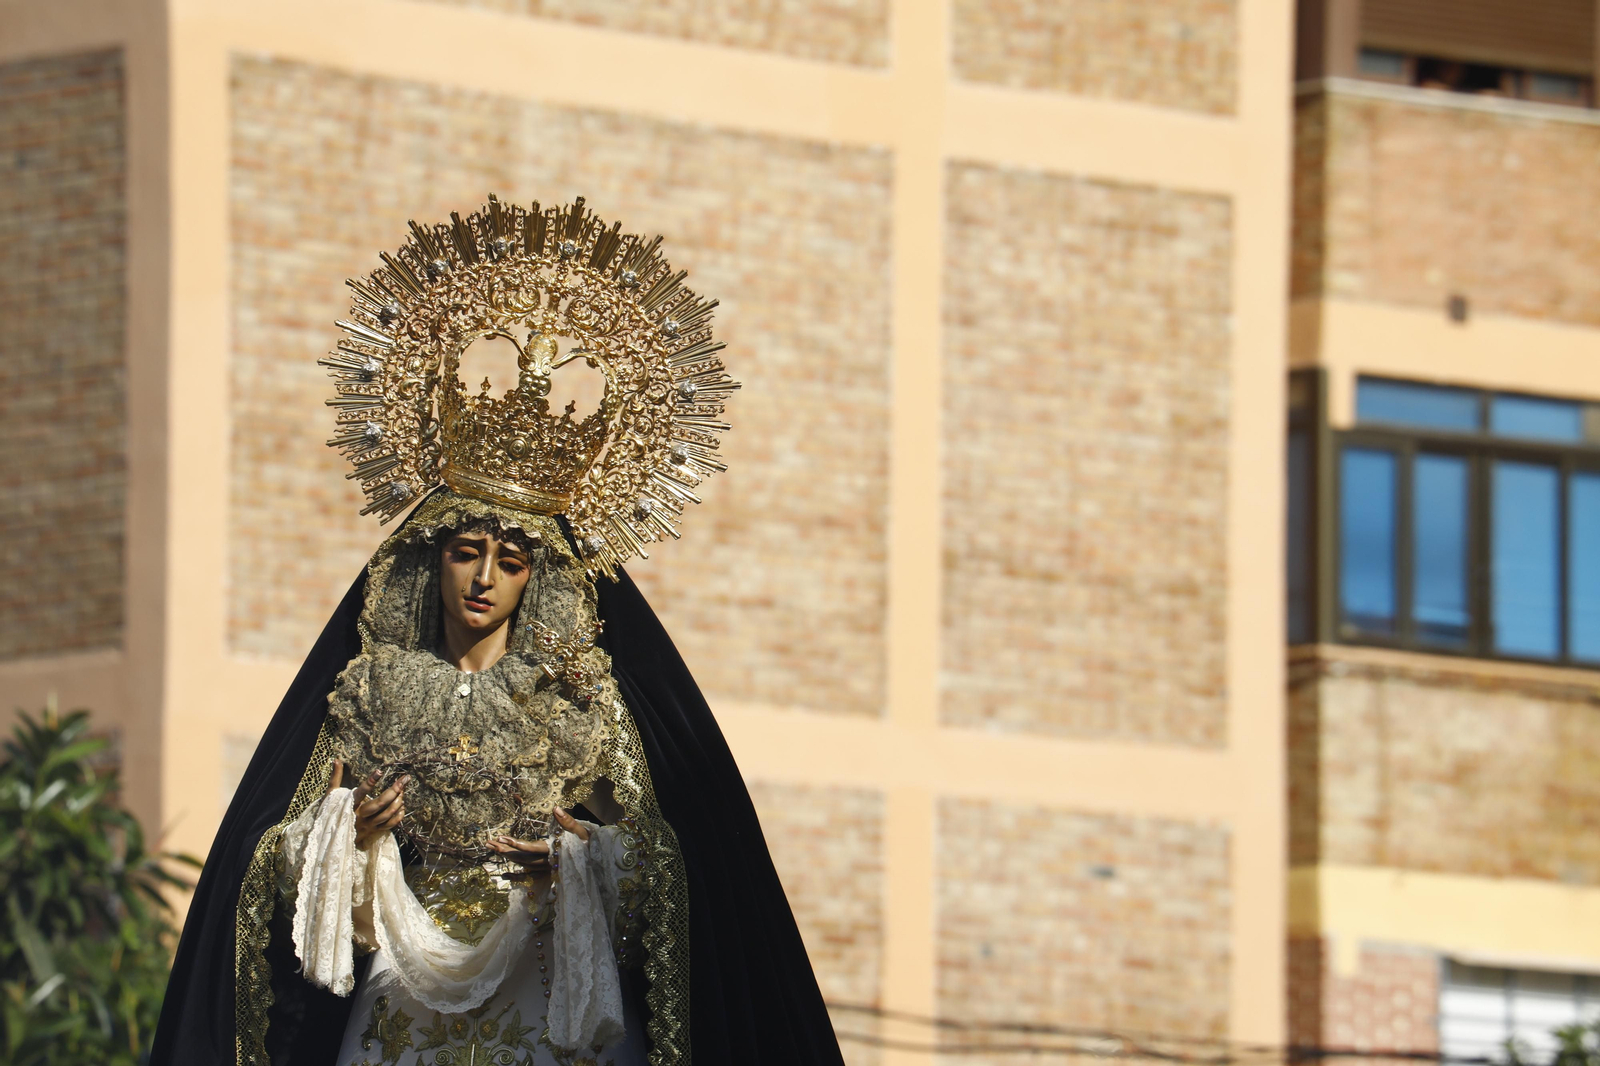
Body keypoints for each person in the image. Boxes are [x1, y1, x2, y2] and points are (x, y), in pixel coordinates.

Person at [151, 196, 846, 1066]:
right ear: (431, 558)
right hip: (399, 1004)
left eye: (510, 560)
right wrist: (349, 838)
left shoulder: (579, 699)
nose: (482, 579)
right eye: (466, 552)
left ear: (536, 575)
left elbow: (678, 869)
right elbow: (271, 870)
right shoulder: (372, 690)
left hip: (549, 1001)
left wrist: (585, 868)